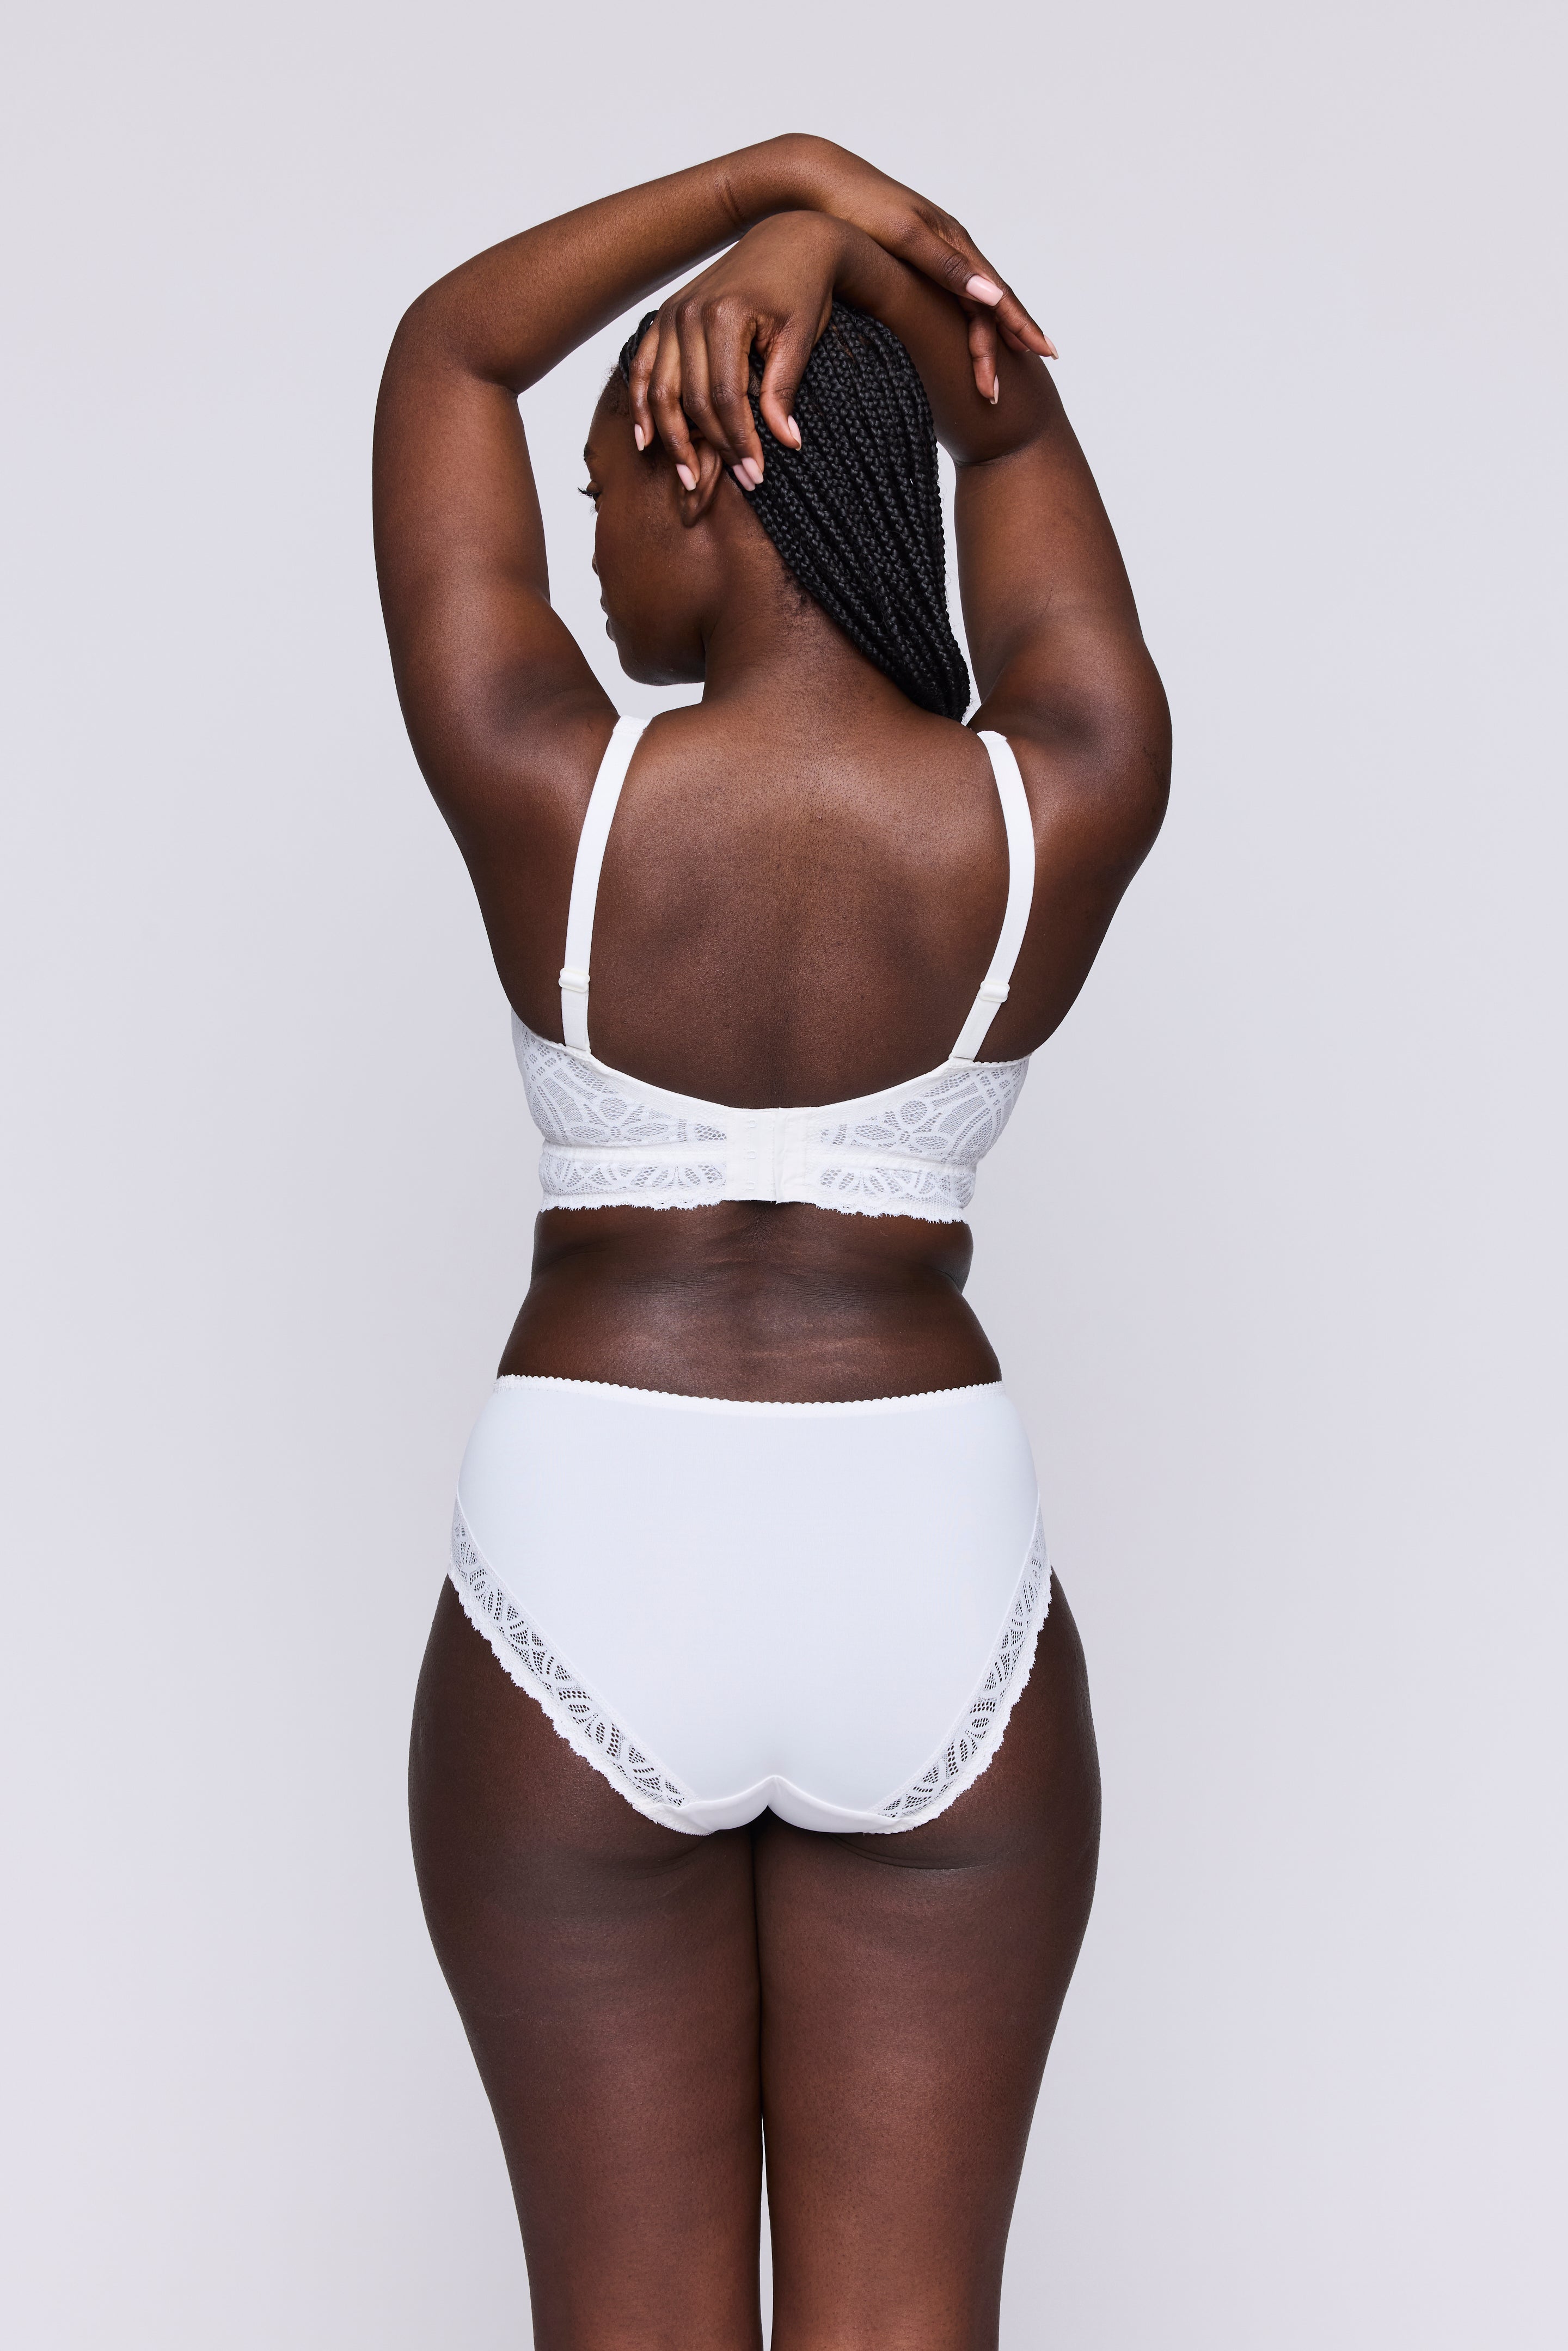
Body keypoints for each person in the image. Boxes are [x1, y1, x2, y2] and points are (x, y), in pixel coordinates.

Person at [374, 133, 1169, 2348]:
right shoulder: (1060, 797)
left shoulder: (547, 787)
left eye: (607, 491)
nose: (585, 542)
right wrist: (841, 243)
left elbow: (447, 354)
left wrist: (776, 186)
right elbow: (1007, 410)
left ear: (717, 457)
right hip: (930, 1563)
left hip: (587, 1551)